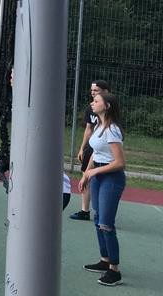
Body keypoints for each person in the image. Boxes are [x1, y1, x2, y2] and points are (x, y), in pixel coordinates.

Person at [79, 89, 126, 287]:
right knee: (98, 220)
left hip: (111, 178)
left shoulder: (112, 129)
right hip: (98, 177)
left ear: (106, 106)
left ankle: (114, 271)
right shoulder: (99, 125)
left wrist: (95, 172)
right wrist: (86, 174)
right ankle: (105, 260)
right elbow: (95, 153)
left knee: (106, 223)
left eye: (96, 100)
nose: (92, 102)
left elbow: (120, 163)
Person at [70, 80, 108, 220]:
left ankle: (103, 212)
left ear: (105, 91)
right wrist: (82, 148)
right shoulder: (90, 108)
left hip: (104, 149)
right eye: (91, 90)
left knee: (102, 180)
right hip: (91, 148)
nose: (92, 93)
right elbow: (88, 129)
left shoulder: (110, 109)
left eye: (96, 90)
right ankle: (85, 210)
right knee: (85, 176)